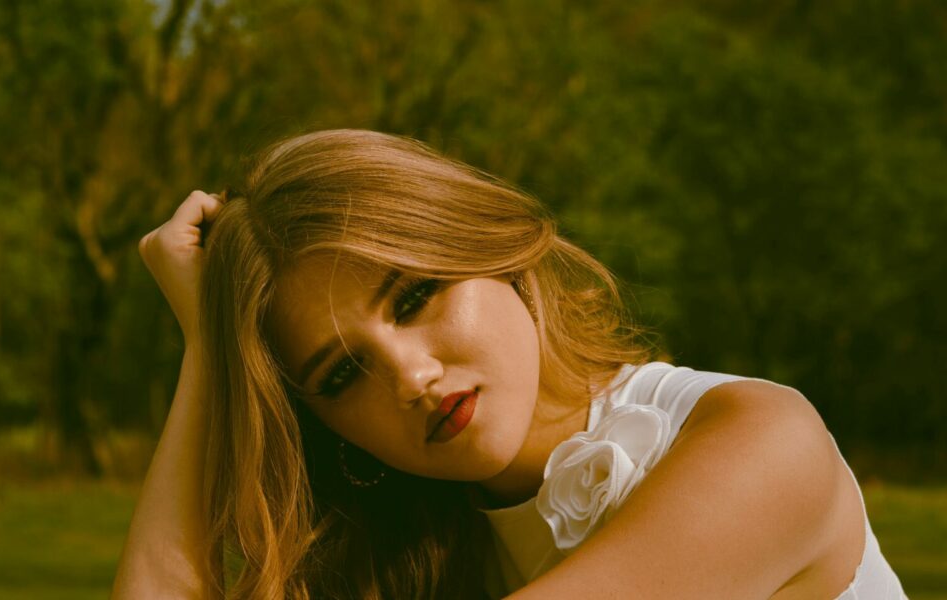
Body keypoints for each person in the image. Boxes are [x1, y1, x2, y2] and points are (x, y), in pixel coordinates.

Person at [113, 129, 906, 599]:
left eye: (413, 297)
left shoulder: (762, 441)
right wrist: (210, 353)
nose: (411, 377)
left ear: (486, 243)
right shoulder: (419, 554)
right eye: (343, 376)